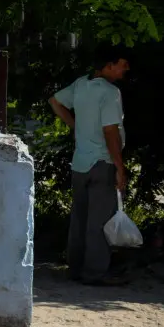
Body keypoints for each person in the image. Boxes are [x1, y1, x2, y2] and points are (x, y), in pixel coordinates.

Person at [49, 45, 132, 286]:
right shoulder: (110, 92)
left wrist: (76, 127)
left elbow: (54, 101)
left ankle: (75, 268)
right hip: (102, 162)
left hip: (80, 162)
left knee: (80, 217)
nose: (126, 68)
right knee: (100, 220)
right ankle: (95, 273)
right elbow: (110, 132)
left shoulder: (81, 84)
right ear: (109, 65)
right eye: (122, 64)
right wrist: (119, 166)